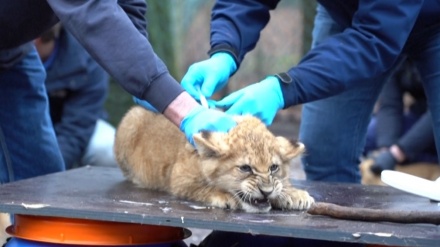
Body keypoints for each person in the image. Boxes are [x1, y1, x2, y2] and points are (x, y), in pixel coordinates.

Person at [181, 1, 440, 246]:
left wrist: (282, 89)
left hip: (413, 21)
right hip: (347, 17)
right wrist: (224, 49)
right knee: (325, 154)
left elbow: (380, 34)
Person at [0, 0, 236, 188]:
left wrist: (151, 85)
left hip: (12, 52)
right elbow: (91, 11)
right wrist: (184, 110)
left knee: (41, 181)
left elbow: (128, 6)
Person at [34, 24, 119, 169]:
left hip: (72, 131)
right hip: (24, 133)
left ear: (37, 39)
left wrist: (48, 171)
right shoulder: (9, 57)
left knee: (108, 150)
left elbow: (76, 128)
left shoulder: (87, 53)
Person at [363, 60, 438, 175]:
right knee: (367, 135)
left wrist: (397, 153)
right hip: (418, 115)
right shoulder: (398, 53)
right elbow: (390, 105)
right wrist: (385, 149)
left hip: (434, 120)